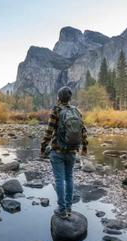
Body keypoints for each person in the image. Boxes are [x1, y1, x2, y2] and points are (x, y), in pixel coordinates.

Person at [41, 86, 89, 219]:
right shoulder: (76, 111)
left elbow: (49, 132)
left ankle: (61, 210)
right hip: (72, 151)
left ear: (58, 97)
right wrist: (84, 147)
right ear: (69, 98)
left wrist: (43, 147)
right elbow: (84, 131)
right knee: (69, 178)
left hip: (58, 151)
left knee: (59, 179)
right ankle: (69, 208)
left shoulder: (56, 110)